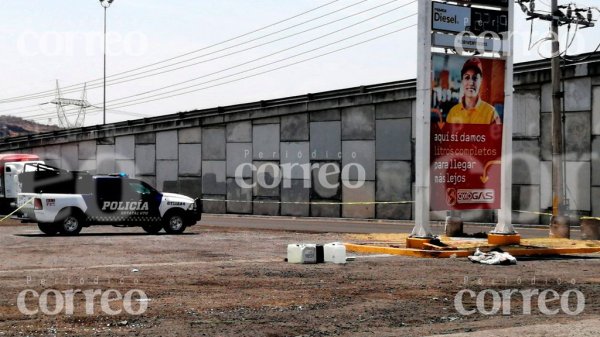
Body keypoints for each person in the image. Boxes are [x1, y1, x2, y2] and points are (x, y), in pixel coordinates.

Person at [446, 57, 501, 125]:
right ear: (462, 81)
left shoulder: (491, 113)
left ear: (480, 81)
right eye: (467, 77)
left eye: (475, 78)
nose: (471, 82)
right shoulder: (453, 112)